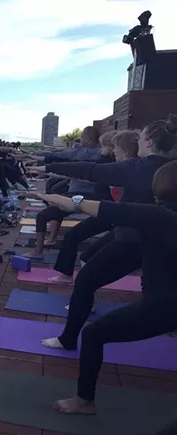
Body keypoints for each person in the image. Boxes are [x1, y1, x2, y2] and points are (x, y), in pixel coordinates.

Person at [38, 161, 177, 415]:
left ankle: (84, 400)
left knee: (93, 335)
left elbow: (108, 210)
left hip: (166, 304)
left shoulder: (160, 216)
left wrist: (62, 200)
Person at [40, 115, 177, 357]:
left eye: (142, 137)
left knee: (85, 281)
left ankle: (68, 339)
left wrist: (48, 167)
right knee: (158, 293)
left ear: (150, 142)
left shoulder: (138, 167)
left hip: (132, 241)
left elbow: (90, 170)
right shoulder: (171, 167)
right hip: (164, 244)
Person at [45, 130, 141, 285]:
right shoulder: (115, 165)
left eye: (113, 146)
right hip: (108, 213)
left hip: (117, 218)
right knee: (74, 239)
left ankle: (82, 288)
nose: (113, 150)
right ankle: (69, 277)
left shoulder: (126, 170)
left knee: (89, 257)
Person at [22, 129, 114, 259]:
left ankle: (38, 251)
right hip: (99, 200)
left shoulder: (83, 153)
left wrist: (35, 158)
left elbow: (58, 156)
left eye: (82, 137)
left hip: (80, 196)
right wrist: (46, 170)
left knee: (43, 215)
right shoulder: (105, 157)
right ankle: (51, 238)